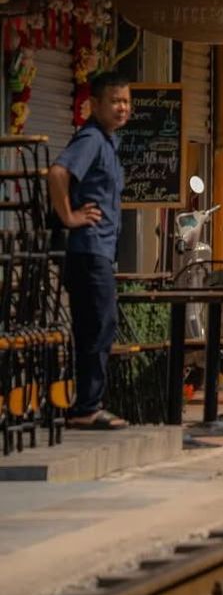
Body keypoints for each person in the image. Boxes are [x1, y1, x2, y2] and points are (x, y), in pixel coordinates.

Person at [47, 69, 132, 430]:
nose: (121, 108)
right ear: (93, 104)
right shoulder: (92, 139)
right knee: (98, 324)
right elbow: (57, 173)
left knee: (96, 325)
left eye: (126, 101)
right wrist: (69, 216)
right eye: (114, 101)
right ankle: (87, 407)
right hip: (88, 249)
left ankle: (87, 404)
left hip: (99, 250)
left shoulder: (110, 142)